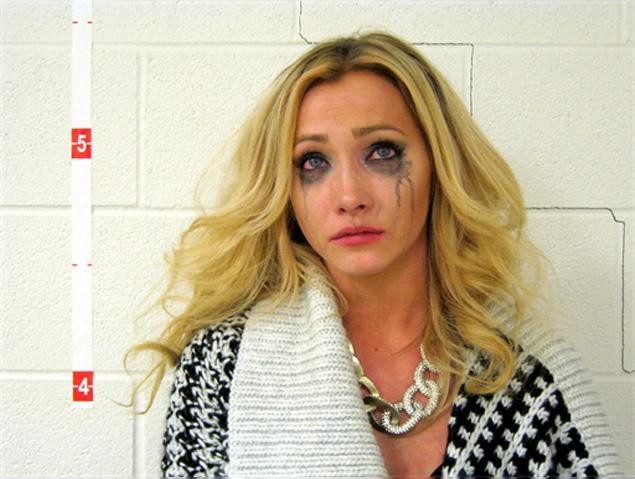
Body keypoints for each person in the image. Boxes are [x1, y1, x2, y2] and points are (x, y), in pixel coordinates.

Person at [130, 31, 621, 478]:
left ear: (441, 166)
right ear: (284, 189)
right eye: (313, 162)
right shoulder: (221, 366)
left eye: (382, 152)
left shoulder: (532, 375)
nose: (349, 196)